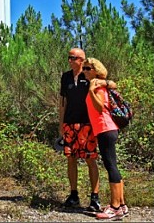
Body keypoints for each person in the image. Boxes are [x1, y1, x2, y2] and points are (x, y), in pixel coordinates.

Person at [59, 48, 111, 212]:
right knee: (71, 159)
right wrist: (61, 123)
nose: (70, 60)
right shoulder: (66, 76)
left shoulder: (89, 75)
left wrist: (105, 82)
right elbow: (63, 101)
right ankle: (73, 195)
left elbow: (110, 85)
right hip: (69, 123)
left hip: (87, 124)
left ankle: (94, 198)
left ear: (82, 60)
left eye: (73, 58)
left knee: (90, 160)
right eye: (69, 57)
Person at [83, 58, 128, 220]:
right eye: (84, 68)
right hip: (104, 129)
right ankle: (121, 205)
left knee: (111, 166)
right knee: (113, 165)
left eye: (88, 68)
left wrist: (90, 92)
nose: (85, 71)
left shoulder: (97, 86)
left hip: (105, 128)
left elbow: (100, 107)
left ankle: (114, 207)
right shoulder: (98, 84)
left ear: (96, 70)